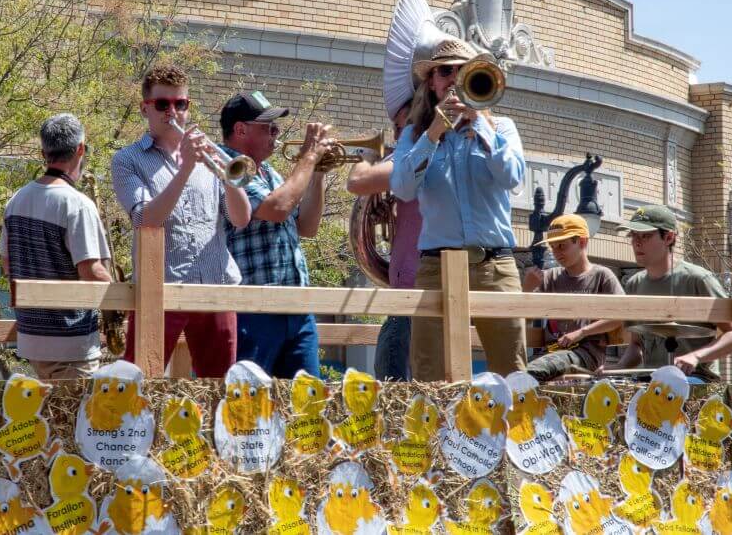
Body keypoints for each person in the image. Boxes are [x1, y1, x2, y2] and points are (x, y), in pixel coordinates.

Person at [390, 37, 527, 380]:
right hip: (436, 267)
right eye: (444, 71)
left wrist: (479, 123)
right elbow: (403, 188)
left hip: (495, 265)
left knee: (512, 372)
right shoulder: (414, 134)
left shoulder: (502, 127)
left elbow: (512, 177)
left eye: (461, 70)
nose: (453, 78)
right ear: (432, 82)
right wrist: (431, 135)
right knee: (430, 375)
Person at [111, 64, 251, 377]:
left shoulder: (208, 157)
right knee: (141, 385)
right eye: (162, 104)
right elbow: (145, 219)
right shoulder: (127, 160)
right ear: (145, 109)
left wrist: (228, 177)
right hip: (159, 290)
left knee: (220, 390)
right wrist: (186, 169)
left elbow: (241, 219)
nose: (172, 112)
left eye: (180, 104)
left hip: (215, 287)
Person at [219, 91, 333, 378]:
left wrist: (317, 172)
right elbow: (277, 208)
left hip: (296, 308)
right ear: (240, 129)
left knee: (306, 407)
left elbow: (307, 226)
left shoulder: (269, 172)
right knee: (249, 405)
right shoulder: (228, 167)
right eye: (268, 127)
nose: (277, 133)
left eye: (276, 127)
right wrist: (308, 157)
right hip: (255, 309)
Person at [0, 113, 112, 380]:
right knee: (76, 419)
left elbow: (6, 264)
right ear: (81, 149)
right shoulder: (77, 204)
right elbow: (91, 271)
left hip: (31, 339)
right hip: (71, 343)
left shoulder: (16, 200)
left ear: (43, 153)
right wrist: (123, 302)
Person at [604, 205, 732, 383]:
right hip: (651, 379)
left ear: (669, 237)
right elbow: (636, 344)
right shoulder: (634, 284)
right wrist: (617, 369)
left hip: (693, 379)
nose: (637, 242)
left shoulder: (698, 279)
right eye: (633, 236)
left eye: (646, 236)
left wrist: (696, 357)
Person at [346, 99, 421, 380]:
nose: (396, 139)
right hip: (405, 292)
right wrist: (388, 211)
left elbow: (357, 182)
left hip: (410, 294)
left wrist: (366, 157)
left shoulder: (412, 160)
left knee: (392, 380)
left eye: (402, 129)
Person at [521, 214, 624, 382]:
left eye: (562, 246)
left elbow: (620, 315)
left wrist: (582, 332)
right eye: (552, 247)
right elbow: (523, 319)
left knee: (529, 374)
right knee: (515, 376)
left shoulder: (602, 276)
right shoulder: (549, 277)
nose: (556, 253)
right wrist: (527, 289)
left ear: (582, 242)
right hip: (550, 353)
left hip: (584, 354)